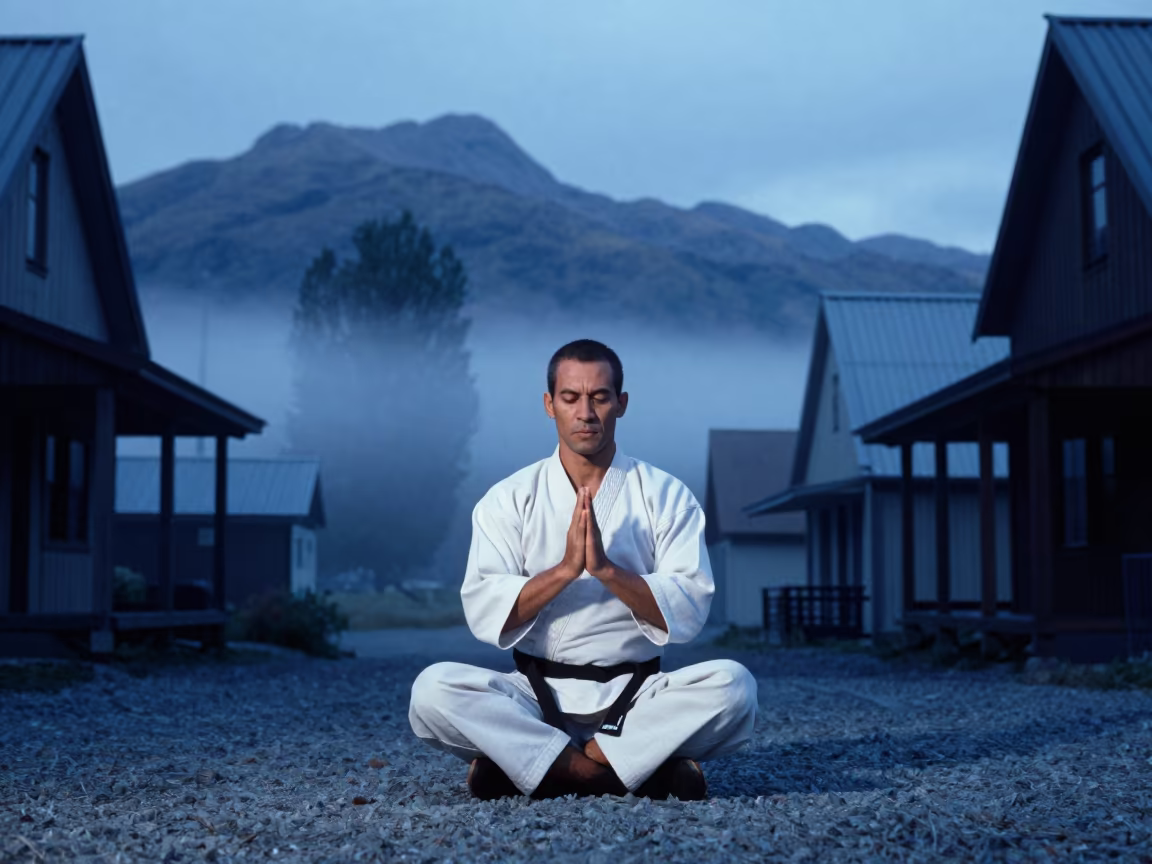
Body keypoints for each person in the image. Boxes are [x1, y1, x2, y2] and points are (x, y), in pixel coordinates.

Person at [408, 339, 757, 800]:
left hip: (638, 696)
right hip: (534, 695)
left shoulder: (665, 495)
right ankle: (629, 769)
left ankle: (540, 767)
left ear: (621, 404)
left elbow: (688, 610)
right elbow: (484, 611)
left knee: (734, 686)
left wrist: (608, 571)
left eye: (600, 397)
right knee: (432, 691)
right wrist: (565, 571)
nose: (586, 412)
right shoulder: (508, 499)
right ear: (550, 405)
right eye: (571, 397)